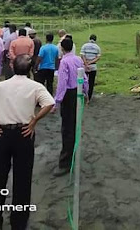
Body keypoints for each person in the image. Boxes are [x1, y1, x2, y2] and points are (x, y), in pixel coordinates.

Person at [0, 54, 55, 230]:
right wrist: (35, 121)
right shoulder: (35, 86)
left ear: (12, 66)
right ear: (30, 69)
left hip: (1, 135)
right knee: (23, 181)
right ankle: (19, 224)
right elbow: (49, 103)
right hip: (24, 133)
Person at [53, 38, 88, 177]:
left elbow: (62, 83)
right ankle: (73, 155)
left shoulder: (64, 62)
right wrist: (86, 91)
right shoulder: (78, 59)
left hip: (68, 95)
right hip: (77, 93)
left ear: (61, 49)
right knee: (74, 125)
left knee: (67, 128)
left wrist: (57, 101)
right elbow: (84, 77)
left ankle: (65, 163)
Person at [80, 34, 101, 102]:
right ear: (95, 39)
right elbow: (98, 57)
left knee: (83, 81)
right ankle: (89, 98)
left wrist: (86, 63)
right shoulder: (97, 47)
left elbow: (82, 55)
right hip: (93, 66)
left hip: (85, 66)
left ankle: (83, 95)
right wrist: (91, 62)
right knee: (91, 82)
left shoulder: (84, 46)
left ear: (89, 38)